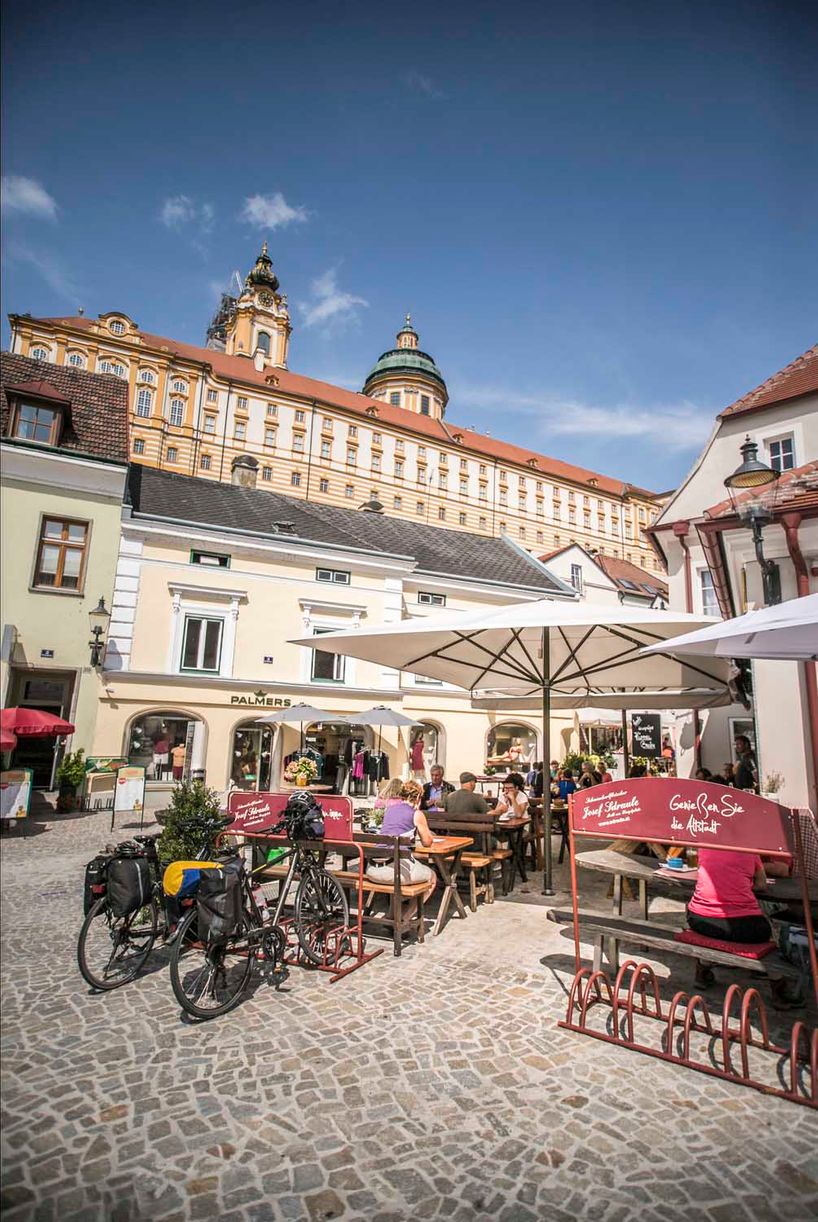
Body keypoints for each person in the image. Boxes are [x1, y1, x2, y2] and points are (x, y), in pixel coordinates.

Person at [686, 847, 797, 1007]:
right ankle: (779, 990)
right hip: (739, 924)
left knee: (714, 931)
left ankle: (702, 971)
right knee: (770, 935)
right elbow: (761, 884)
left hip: (698, 918)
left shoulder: (705, 845)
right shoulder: (747, 849)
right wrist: (742, 884)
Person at [365, 780, 436, 900]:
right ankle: (408, 916)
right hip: (394, 873)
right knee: (432, 877)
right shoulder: (416, 814)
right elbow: (427, 843)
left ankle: (394, 914)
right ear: (418, 797)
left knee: (403, 871)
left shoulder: (389, 810)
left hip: (372, 870)